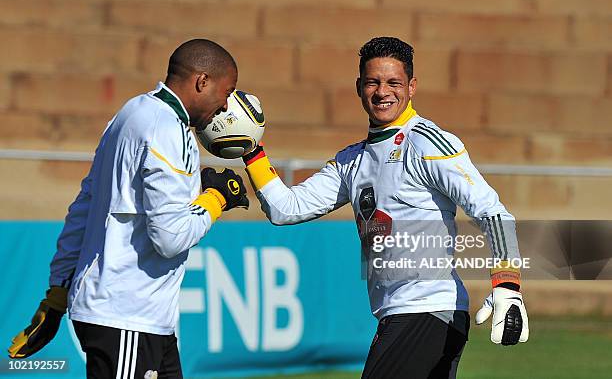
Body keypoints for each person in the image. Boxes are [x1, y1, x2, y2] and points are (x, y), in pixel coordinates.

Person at [241, 37, 529, 378]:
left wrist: (507, 285)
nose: (382, 92)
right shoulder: (352, 160)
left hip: (428, 309)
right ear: (359, 86)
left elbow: (492, 212)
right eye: (373, 82)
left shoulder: (426, 142)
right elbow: (285, 208)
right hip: (399, 312)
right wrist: (251, 150)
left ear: (411, 87)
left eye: (393, 82)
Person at [8, 39, 249, 379]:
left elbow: (85, 207)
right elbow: (170, 237)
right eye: (227, 92)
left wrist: (58, 293)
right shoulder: (167, 129)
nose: (225, 107)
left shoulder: (131, 112)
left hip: (143, 320)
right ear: (201, 82)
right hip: (127, 318)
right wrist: (216, 198)